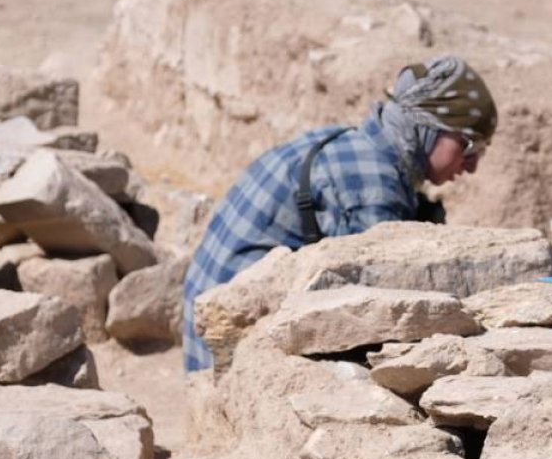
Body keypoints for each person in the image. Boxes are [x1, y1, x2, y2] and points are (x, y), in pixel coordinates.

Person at [182, 55, 497, 372]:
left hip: (203, 332)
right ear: (428, 127)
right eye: (468, 145)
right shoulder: (372, 185)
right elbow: (383, 311)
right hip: (223, 349)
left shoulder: (354, 145)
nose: (472, 165)